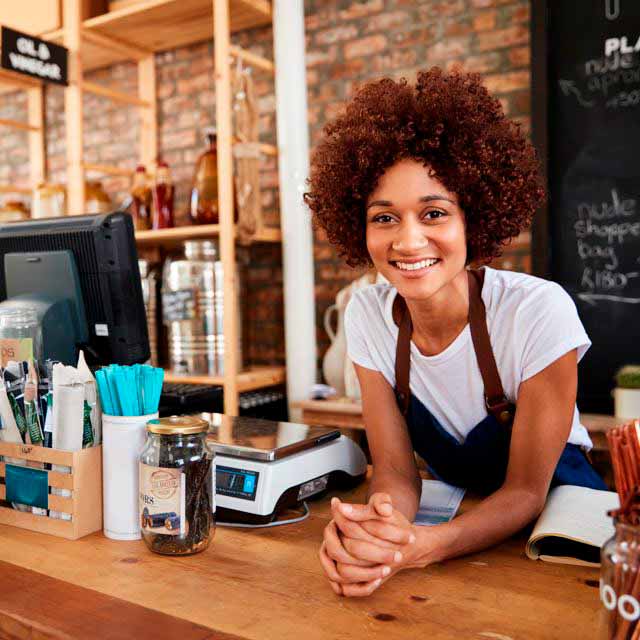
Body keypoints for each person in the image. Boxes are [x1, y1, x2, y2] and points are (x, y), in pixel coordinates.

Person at [303, 68, 606, 598]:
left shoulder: (537, 312)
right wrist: (379, 534)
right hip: (464, 533)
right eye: (385, 218)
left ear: (475, 218)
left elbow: (526, 491)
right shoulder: (368, 314)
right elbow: (397, 475)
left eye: (434, 212)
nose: (408, 239)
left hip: (558, 534)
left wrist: (424, 546)